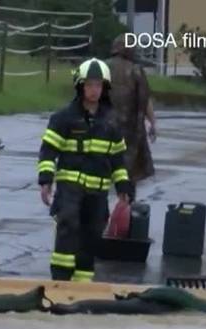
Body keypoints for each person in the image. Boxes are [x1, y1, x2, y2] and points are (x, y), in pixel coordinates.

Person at [38, 58, 134, 282]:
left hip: (98, 194)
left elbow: (118, 159)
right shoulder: (63, 119)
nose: (94, 90)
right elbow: (48, 151)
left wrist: (123, 187)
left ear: (105, 88)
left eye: (98, 85)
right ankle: (60, 282)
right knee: (68, 228)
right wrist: (46, 180)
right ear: (80, 87)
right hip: (70, 190)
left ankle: (82, 287)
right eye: (89, 85)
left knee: (91, 238)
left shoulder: (111, 123)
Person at [107, 33, 156, 184]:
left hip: (103, 125)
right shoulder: (136, 70)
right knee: (129, 171)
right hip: (130, 128)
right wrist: (152, 124)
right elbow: (145, 99)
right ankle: (125, 198)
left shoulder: (102, 67)